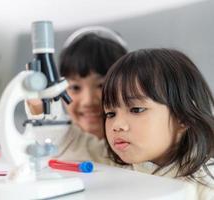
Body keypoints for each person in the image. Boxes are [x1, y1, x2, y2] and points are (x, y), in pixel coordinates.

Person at [55, 48, 214, 199]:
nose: (117, 125)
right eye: (110, 113)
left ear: (183, 117)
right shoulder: (115, 163)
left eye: (136, 110)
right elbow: (69, 140)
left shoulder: (206, 186)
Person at [27, 26, 128, 139]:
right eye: (75, 87)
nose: (88, 101)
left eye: (102, 85)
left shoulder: (144, 153)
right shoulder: (50, 149)